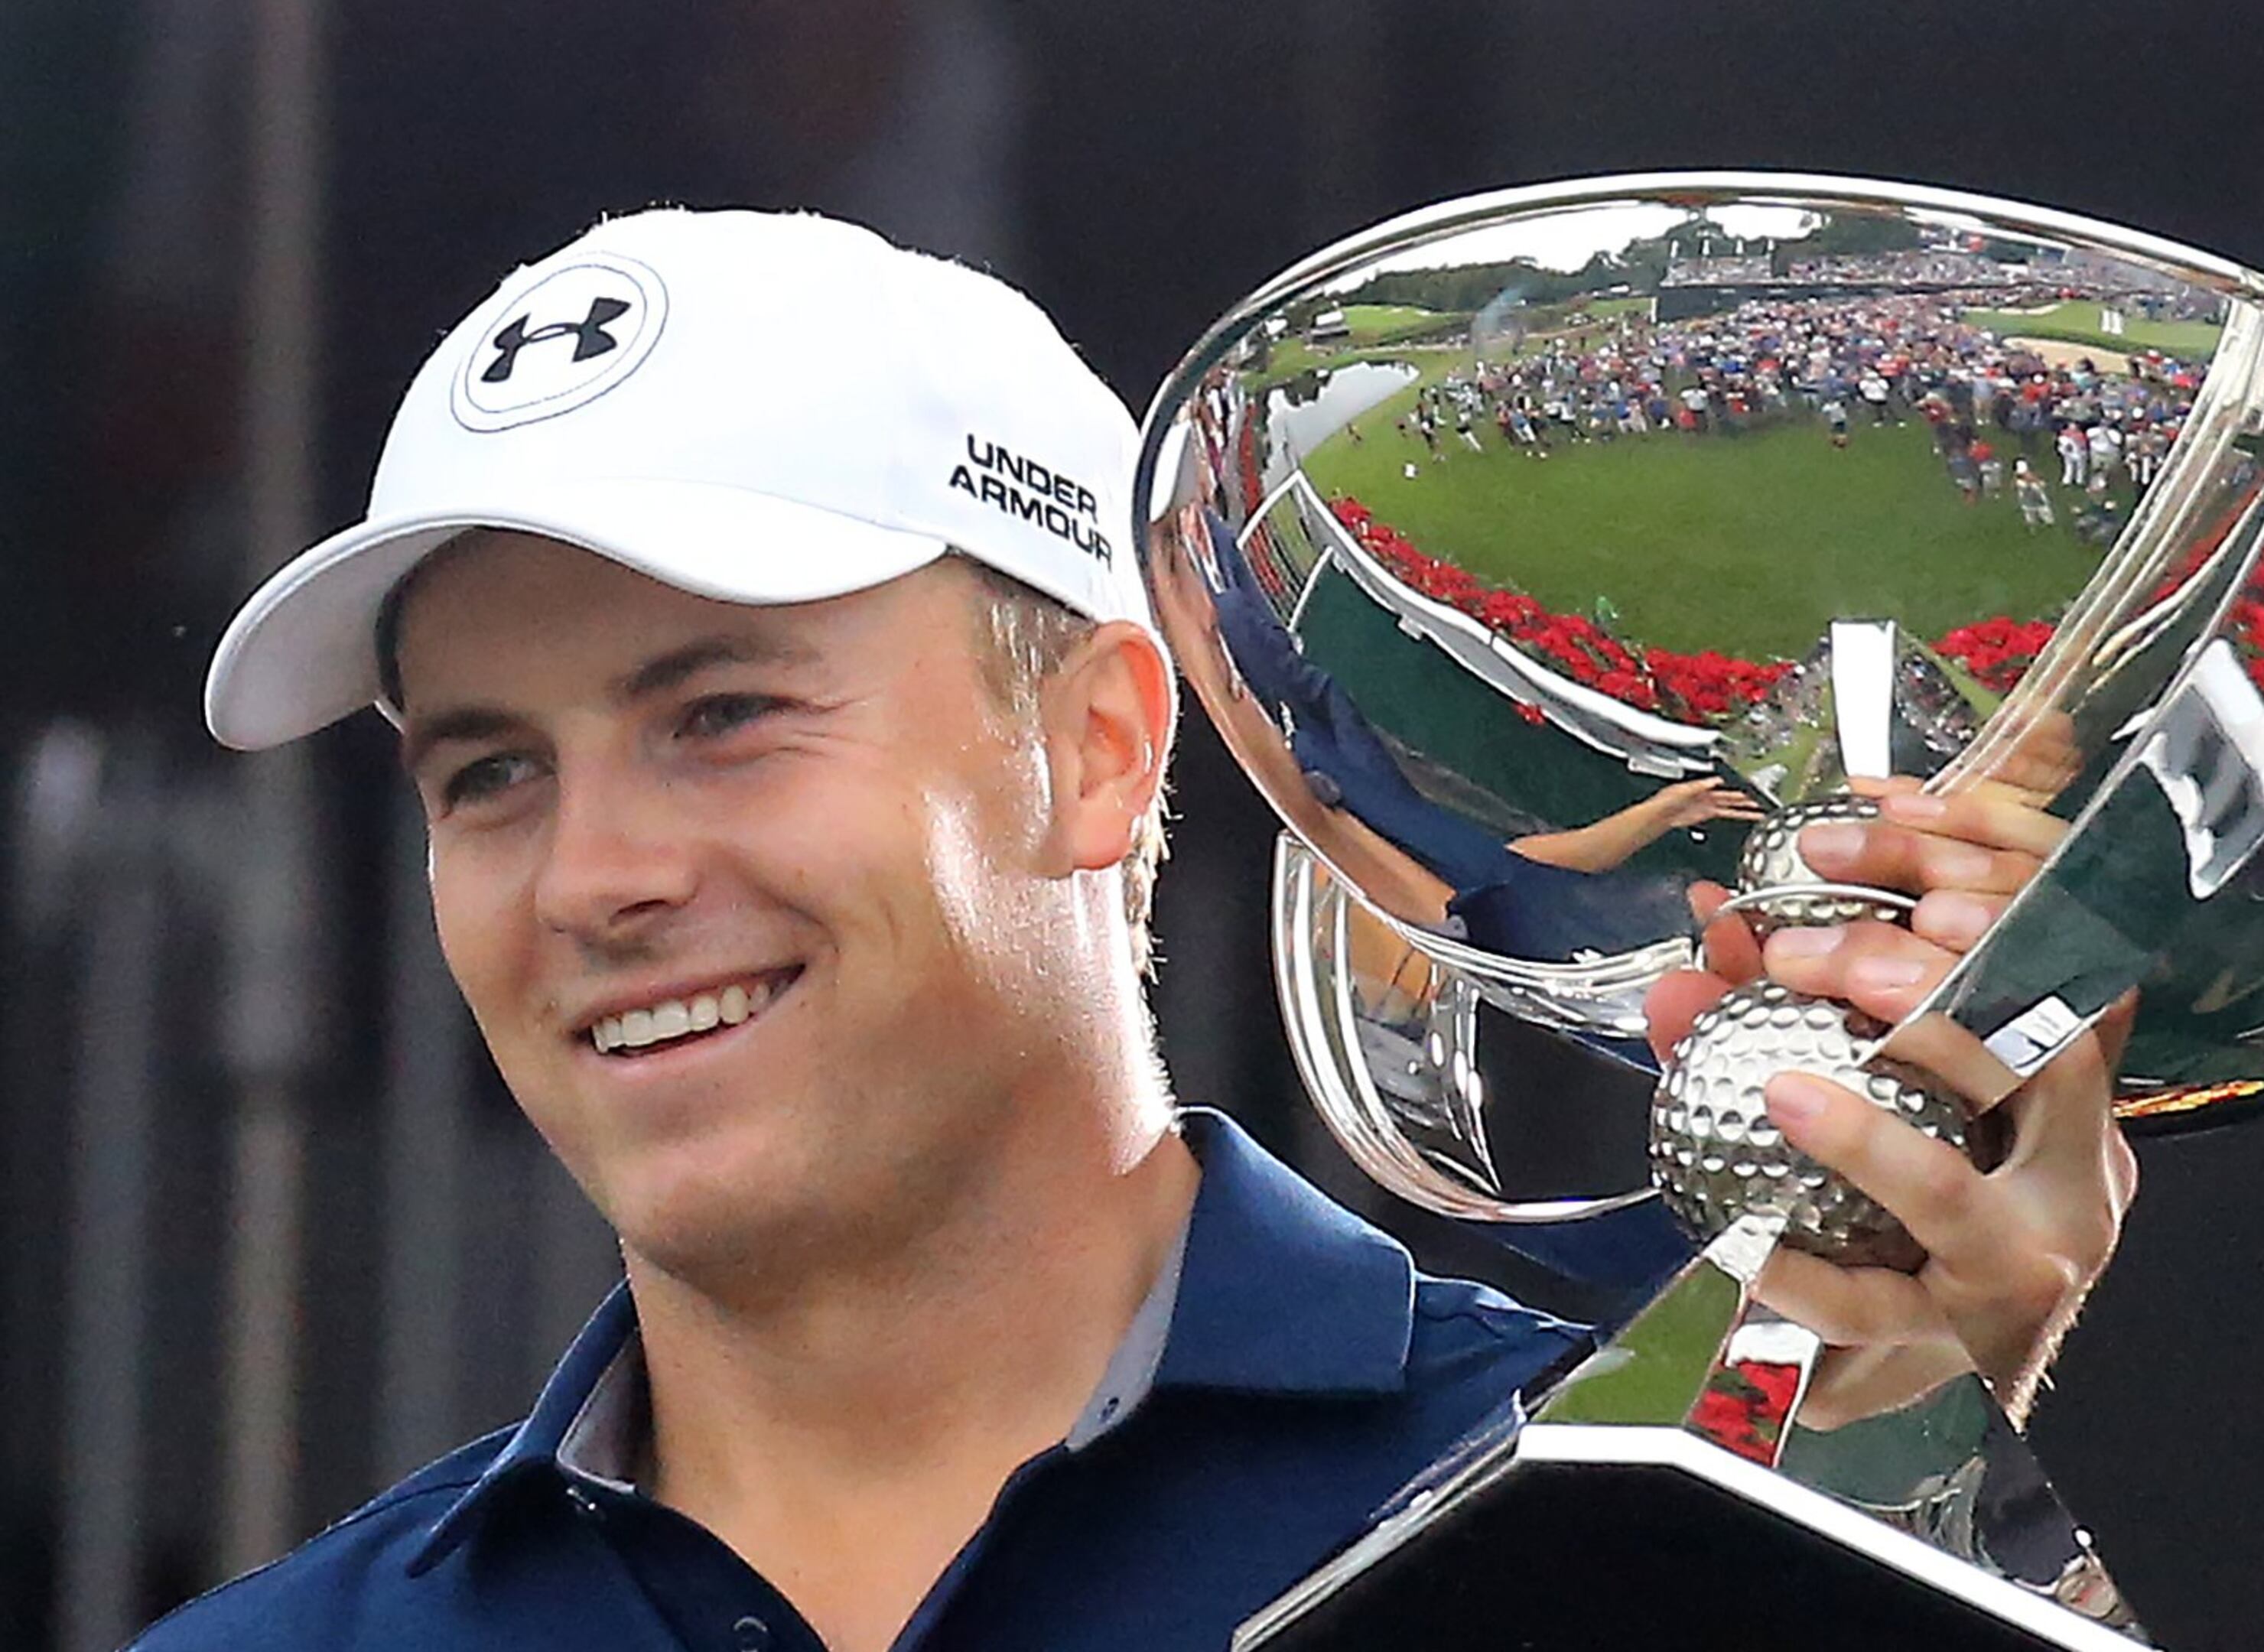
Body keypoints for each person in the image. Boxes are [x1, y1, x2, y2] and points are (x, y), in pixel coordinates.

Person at [147, 208, 2134, 1651]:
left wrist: (1884, 1503)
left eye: (722, 714)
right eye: (491, 773)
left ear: (1097, 745)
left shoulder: (1626, 1521)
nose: (591, 874)